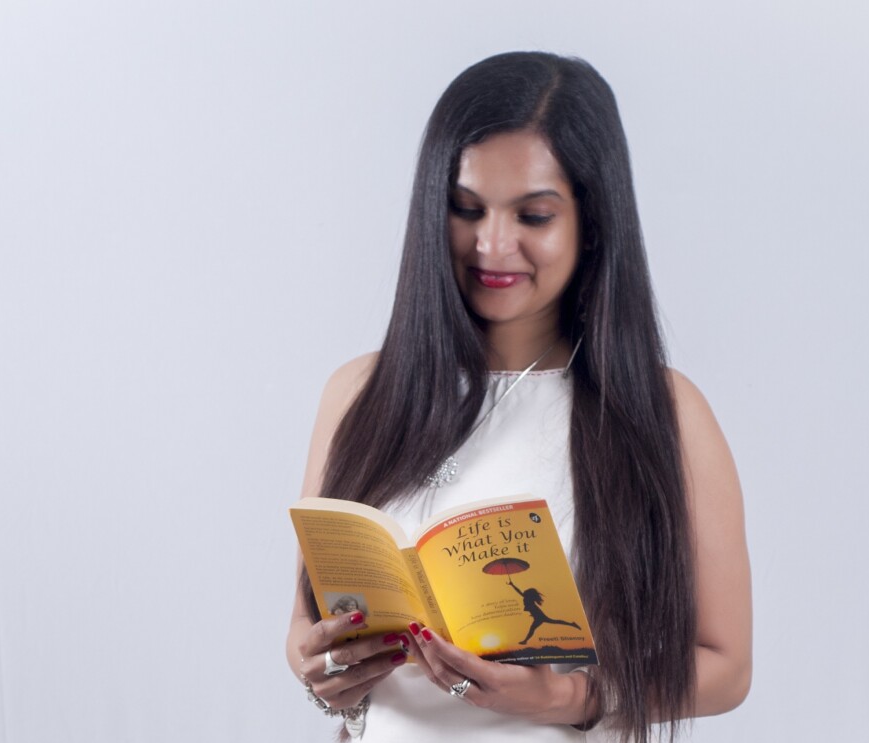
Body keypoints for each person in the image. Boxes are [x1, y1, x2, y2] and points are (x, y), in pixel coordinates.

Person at [285, 51, 751, 742]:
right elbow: (302, 633)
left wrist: (565, 696)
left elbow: (726, 666)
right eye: (465, 208)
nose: (491, 244)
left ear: (591, 224)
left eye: (533, 215)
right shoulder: (359, 392)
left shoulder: (664, 410)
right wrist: (322, 665)